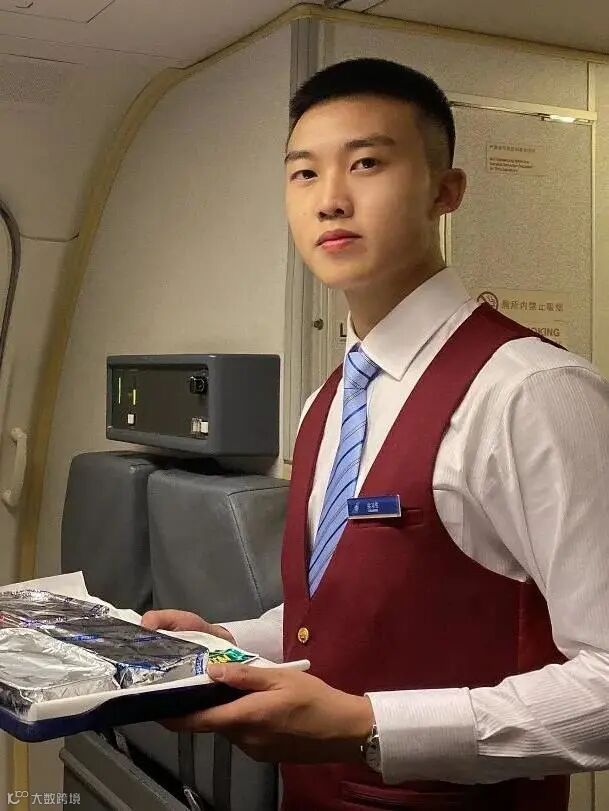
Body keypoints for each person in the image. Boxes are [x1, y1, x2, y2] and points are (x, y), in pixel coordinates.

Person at [142, 58, 609, 810]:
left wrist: (369, 726)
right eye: (303, 173)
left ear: (444, 191)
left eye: (366, 163)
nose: (330, 199)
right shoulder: (324, 404)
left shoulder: (532, 392)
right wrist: (221, 643)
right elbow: (345, 621)